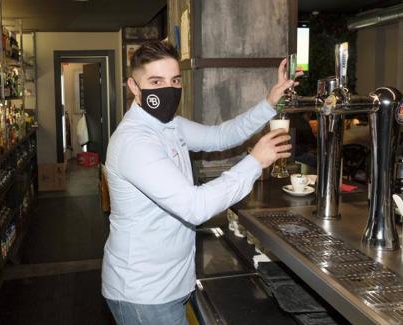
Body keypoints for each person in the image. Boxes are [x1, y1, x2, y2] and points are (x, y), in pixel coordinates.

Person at [102, 40, 296, 325]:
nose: (168, 89)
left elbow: (220, 136)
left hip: (171, 282)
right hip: (144, 293)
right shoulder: (135, 142)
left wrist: (269, 104)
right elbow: (194, 206)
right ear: (133, 86)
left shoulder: (170, 125)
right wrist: (255, 161)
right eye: (156, 81)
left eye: (174, 80)